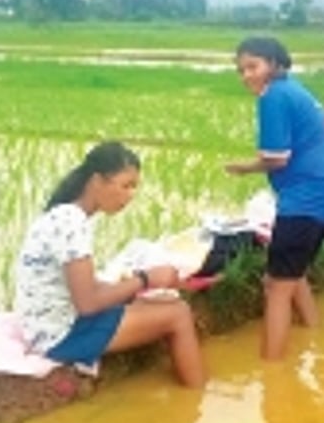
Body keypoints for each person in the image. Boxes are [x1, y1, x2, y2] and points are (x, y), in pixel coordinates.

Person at [14, 141, 205, 387]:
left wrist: (137, 290)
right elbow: (88, 304)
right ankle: (197, 398)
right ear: (97, 181)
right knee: (178, 314)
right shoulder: (71, 222)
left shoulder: (67, 216)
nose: (130, 195)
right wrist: (146, 279)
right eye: (125, 186)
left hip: (53, 324)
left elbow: (86, 288)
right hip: (60, 335)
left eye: (134, 188)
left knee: (163, 303)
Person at [226, 37, 324, 360]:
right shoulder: (294, 89)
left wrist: (243, 168)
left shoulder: (273, 97)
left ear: (274, 64)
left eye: (253, 66)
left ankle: (273, 371)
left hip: (306, 199)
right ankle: (313, 334)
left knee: (275, 285)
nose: (246, 76)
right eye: (241, 70)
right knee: (294, 274)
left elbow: (276, 158)